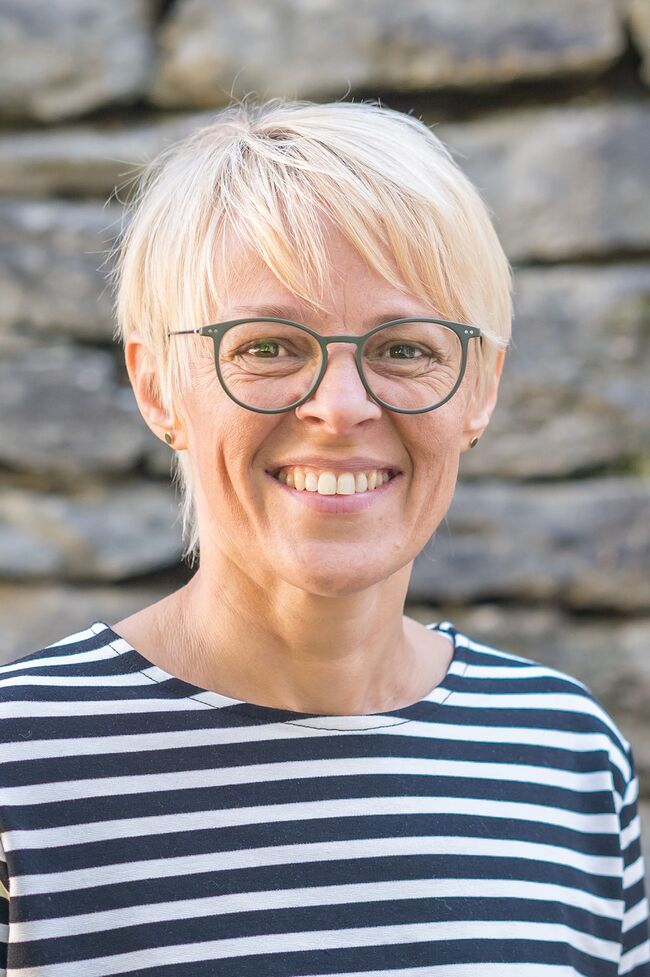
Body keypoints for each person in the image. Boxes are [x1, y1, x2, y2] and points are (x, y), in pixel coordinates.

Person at [0, 99, 647, 977]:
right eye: (267, 347)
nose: (340, 408)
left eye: (405, 349)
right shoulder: (21, 766)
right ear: (157, 388)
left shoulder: (565, 758)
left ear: (481, 389)